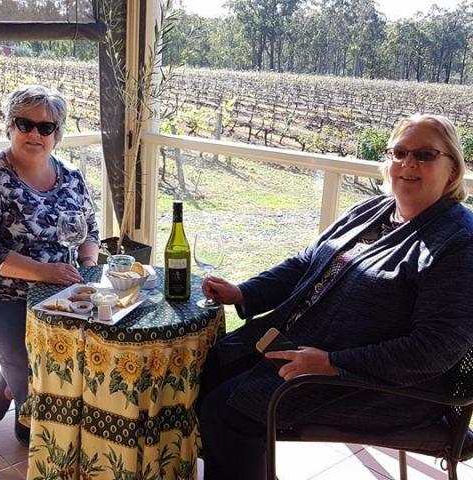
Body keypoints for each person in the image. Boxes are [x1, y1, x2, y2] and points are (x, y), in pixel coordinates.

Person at [198, 114, 473, 479]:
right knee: (211, 366)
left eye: (424, 155)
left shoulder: (457, 241)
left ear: (452, 171)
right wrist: (243, 292)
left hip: (384, 387)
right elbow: (305, 263)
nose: (408, 163)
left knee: (227, 412)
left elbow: (435, 349)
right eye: (400, 152)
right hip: (311, 349)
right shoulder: (373, 211)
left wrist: (331, 362)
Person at [0, 85, 99, 443]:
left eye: (45, 127)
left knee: (92, 341)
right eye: (24, 124)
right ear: (10, 127)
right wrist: (44, 271)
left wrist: (89, 265)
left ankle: (13, 387)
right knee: (25, 348)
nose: (34, 133)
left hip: (56, 287)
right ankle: (36, 427)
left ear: (57, 134)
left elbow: (90, 230)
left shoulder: (71, 177)